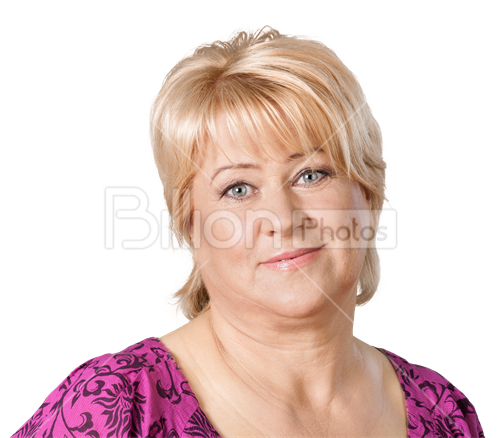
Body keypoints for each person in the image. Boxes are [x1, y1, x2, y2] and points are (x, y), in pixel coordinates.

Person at [12, 22, 483, 438]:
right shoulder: (113, 405)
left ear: (368, 190)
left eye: (311, 174)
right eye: (237, 189)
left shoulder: (443, 411)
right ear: (190, 224)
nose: (282, 218)